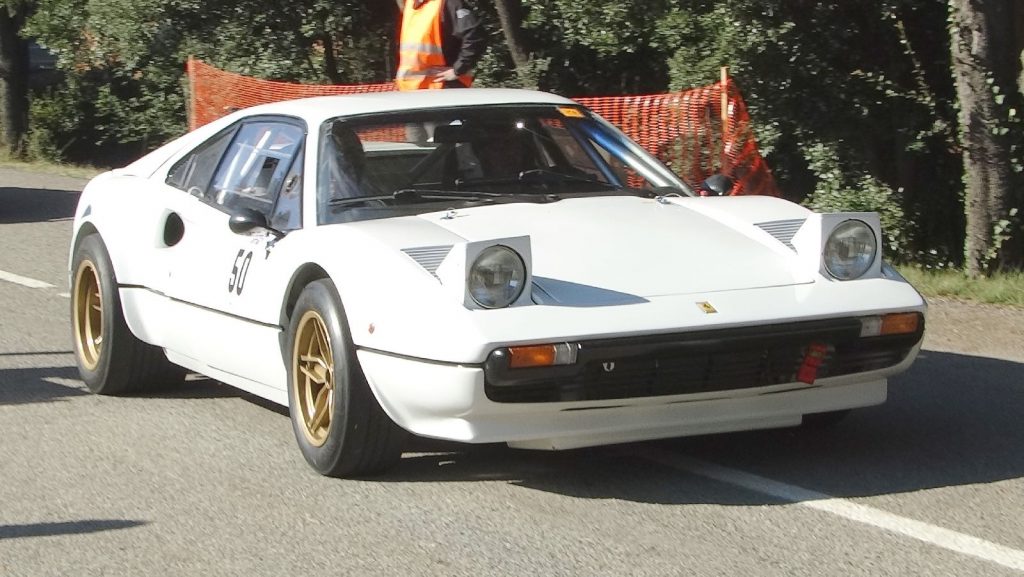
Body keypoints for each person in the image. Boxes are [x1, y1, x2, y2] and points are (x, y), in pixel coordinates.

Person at [394, 0, 486, 90]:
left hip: (442, 88)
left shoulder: (449, 3)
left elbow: (474, 36)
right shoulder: (410, 5)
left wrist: (458, 70)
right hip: (412, 89)